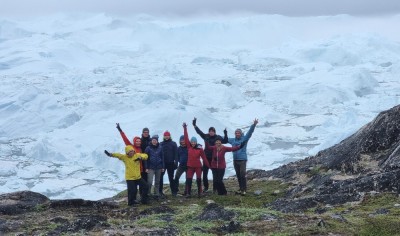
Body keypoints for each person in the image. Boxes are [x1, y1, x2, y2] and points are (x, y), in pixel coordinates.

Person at [192, 118, 228, 193]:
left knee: (214, 174)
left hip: (213, 159)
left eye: (212, 131)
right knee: (205, 174)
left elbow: (225, 141)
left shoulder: (218, 137)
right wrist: (195, 125)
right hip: (206, 158)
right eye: (210, 131)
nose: (211, 132)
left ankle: (215, 188)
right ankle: (206, 187)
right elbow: (199, 132)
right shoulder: (206, 136)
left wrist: (225, 133)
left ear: (214, 132)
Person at [227, 118, 258, 196]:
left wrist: (254, 125)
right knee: (238, 175)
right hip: (235, 160)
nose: (237, 134)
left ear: (240, 134)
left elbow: (249, 133)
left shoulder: (244, 139)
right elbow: (224, 139)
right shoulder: (233, 140)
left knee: (242, 174)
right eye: (236, 133)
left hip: (242, 160)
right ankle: (241, 188)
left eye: (238, 133)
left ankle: (244, 189)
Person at [116, 123, 147, 196]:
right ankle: (134, 199)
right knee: (134, 187)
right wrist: (120, 130)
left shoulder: (141, 148)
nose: (138, 142)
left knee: (143, 186)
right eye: (137, 141)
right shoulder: (131, 147)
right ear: (134, 142)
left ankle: (142, 197)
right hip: (133, 171)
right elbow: (125, 138)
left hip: (141, 169)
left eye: (139, 141)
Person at [183, 122, 210, 198]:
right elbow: (186, 137)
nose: (193, 143)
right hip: (190, 166)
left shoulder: (200, 148)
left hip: (198, 166)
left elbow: (204, 158)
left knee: (198, 179)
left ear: (196, 142)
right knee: (189, 179)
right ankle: (188, 193)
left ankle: (200, 193)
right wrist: (185, 128)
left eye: (194, 142)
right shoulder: (189, 147)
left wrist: (209, 166)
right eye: (192, 142)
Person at [160, 131, 178, 196]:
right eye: (165, 135)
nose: (166, 136)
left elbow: (176, 154)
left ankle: (174, 192)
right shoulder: (161, 144)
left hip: (171, 163)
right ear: (164, 136)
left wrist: (176, 163)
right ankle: (160, 191)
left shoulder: (173, 143)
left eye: (168, 135)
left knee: (171, 177)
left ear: (170, 136)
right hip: (163, 164)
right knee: (161, 177)